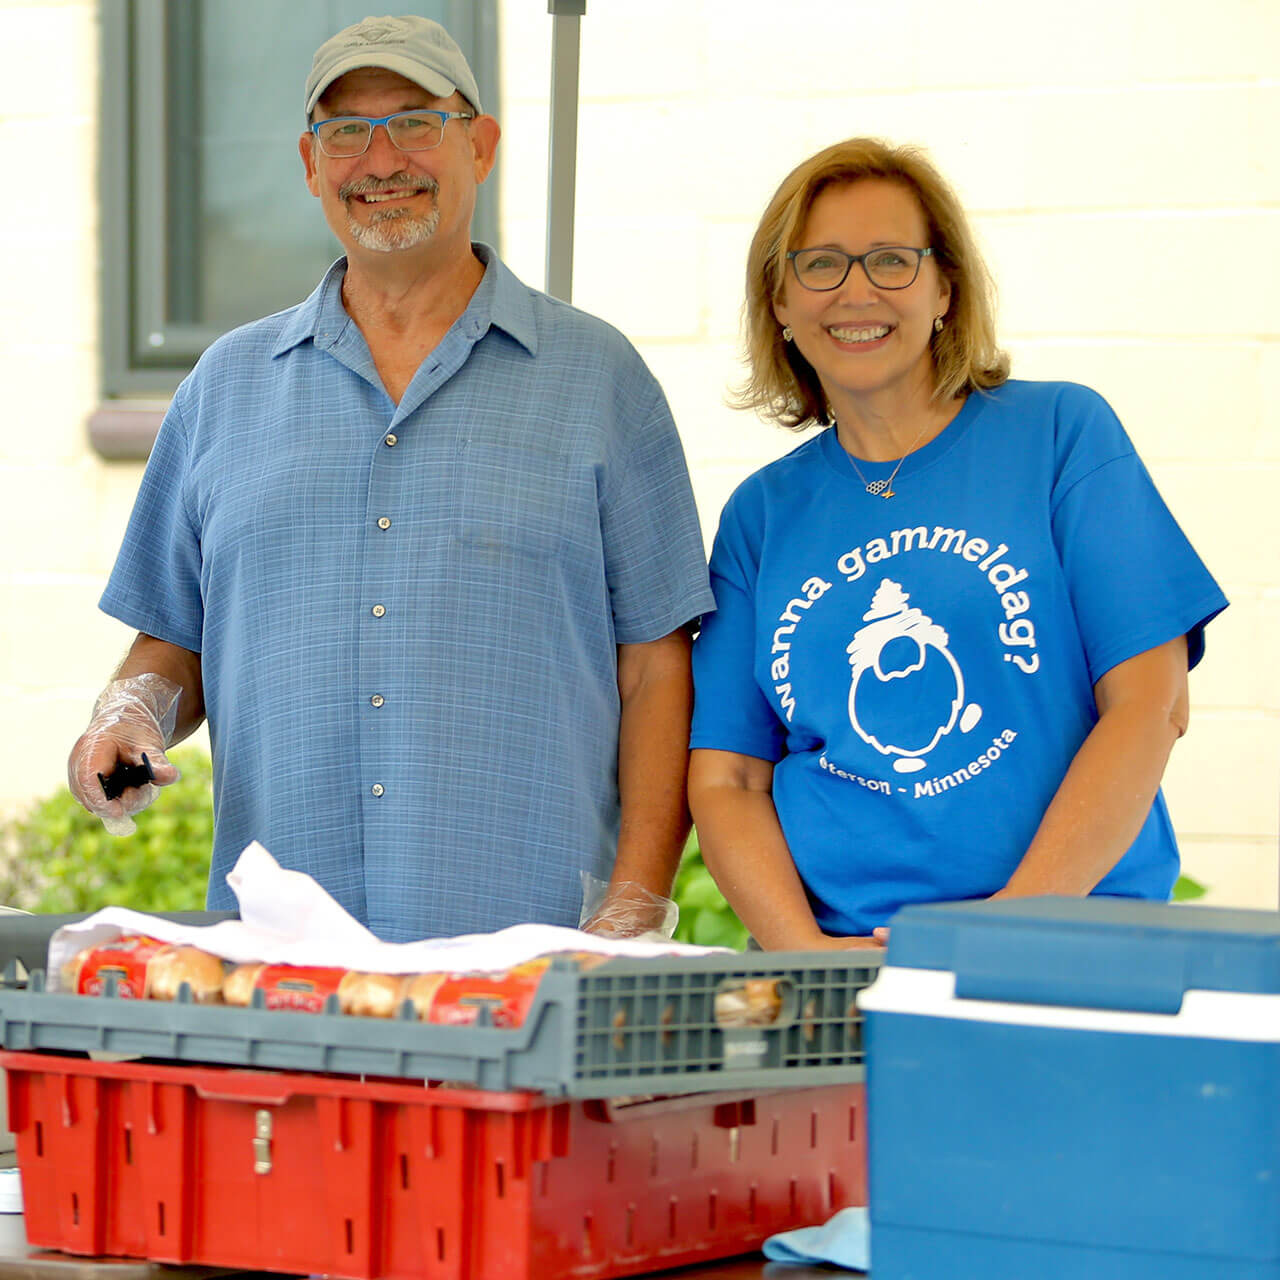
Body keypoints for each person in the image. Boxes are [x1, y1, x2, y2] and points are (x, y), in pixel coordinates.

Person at [67, 15, 714, 943]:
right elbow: (173, 643)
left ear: (481, 145)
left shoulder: (601, 379)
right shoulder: (224, 386)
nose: (381, 159)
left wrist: (635, 906)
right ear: (308, 162)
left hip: (528, 960)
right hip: (283, 969)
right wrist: (128, 716)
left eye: (416, 121)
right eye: (346, 131)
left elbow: (658, 667)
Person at [688, 138, 1227, 950]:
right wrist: (805, 956)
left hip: (1071, 943)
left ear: (944, 287)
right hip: (848, 969)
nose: (857, 290)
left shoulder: (1060, 436)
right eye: (821, 265)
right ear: (781, 305)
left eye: (892, 261)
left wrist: (1015, 921)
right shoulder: (762, 515)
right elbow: (727, 775)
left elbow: (1152, 703)